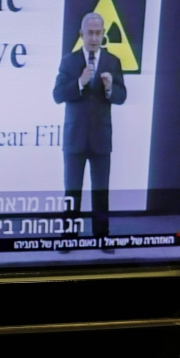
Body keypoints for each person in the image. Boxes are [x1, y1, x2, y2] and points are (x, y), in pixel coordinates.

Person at [52, 12, 127, 240]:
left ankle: (101, 235)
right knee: (72, 191)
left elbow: (122, 96)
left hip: (101, 139)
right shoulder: (69, 61)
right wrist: (80, 82)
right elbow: (57, 95)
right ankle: (68, 237)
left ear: (103, 34)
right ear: (81, 34)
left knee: (101, 191)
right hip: (75, 139)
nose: (94, 38)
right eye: (90, 33)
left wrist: (109, 88)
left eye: (98, 33)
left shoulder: (112, 61)